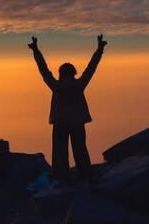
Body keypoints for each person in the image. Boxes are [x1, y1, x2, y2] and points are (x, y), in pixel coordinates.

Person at [28, 34, 106, 182]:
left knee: (59, 152)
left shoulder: (56, 86)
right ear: (74, 73)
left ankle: (61, 176)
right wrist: (99, 49)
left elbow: (43, 70)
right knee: (80, 150)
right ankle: (85, 174)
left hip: (60, 122)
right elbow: (91, 67)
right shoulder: (79, 85)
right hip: (77, 122)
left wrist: (36, 51)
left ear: (61, 73)